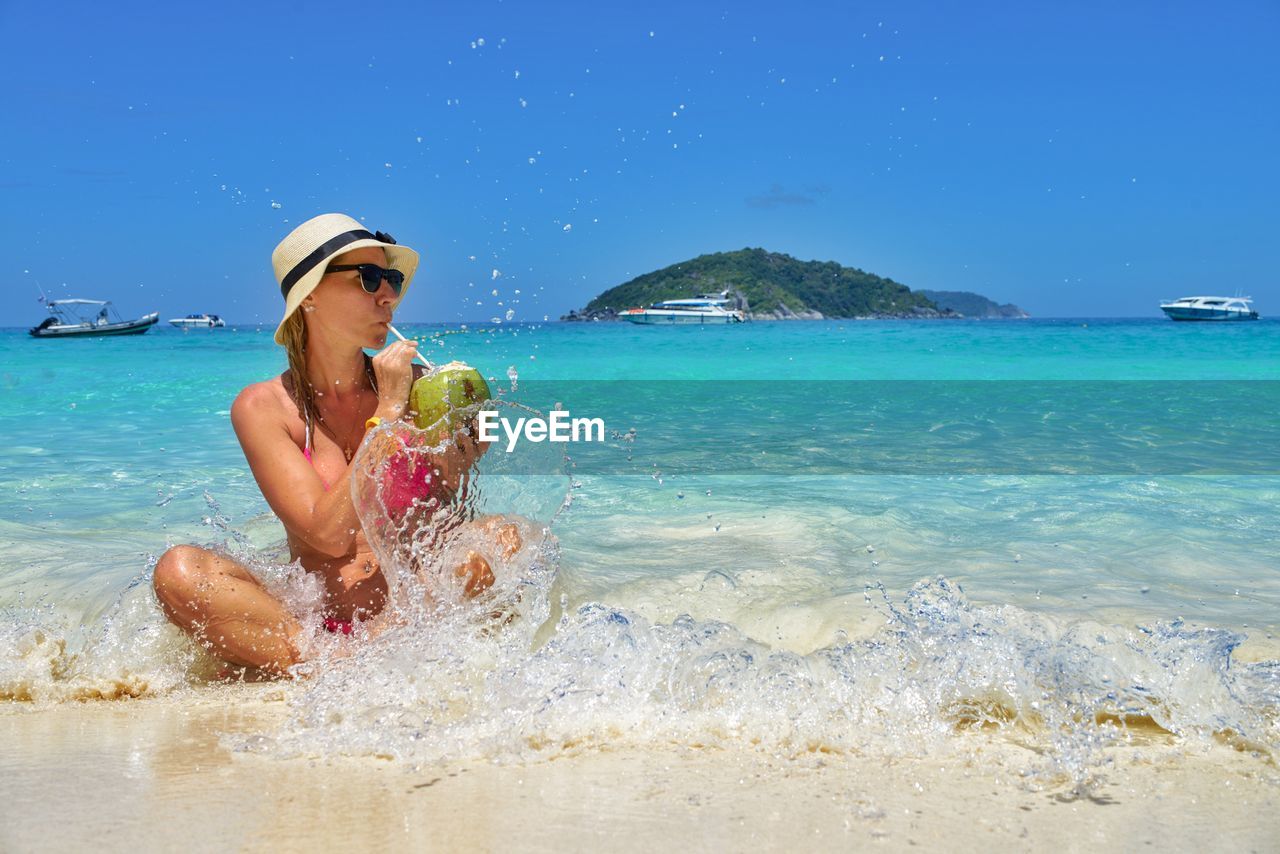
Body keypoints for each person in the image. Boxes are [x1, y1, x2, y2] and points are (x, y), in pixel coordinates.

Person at [153, 213, 497, 674]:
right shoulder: (263, 408)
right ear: (310, 294)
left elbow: (446, 517)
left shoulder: (422, 387)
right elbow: (328, 536)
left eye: (391, 278)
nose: (389, 294)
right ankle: (333, 664)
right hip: (312, 629)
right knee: (179, 572)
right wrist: (389, 414)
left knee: (502, 538)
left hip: (409, 614)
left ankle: (368, 658)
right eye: (369, 277)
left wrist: (463, 455)